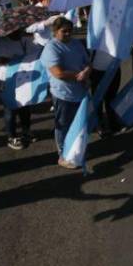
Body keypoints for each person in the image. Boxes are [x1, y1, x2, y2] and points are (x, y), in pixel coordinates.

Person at [40, 16, 91, 168]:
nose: (68, 34)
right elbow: (58, 73)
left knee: (78, 124)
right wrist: (79, 75)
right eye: (64, 31)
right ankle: (62, 155)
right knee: (63, 125)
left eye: (70, 31)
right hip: (63, 93)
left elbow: (87, 63)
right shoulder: (51, 48)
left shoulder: (76, 44)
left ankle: (75, 150)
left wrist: (87, 71)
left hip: (80, 92)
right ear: (55, 32)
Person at [0, 30, 36, 149]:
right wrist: (1, 60)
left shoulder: (27, 40)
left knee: (25, 106)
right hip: (6, 79)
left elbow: (35, 54)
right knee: (10, 109)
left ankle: (26, 131)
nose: (16, 32)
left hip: (24, 77)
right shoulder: (1, 42)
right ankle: (11, 137)